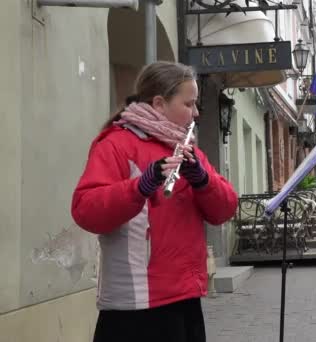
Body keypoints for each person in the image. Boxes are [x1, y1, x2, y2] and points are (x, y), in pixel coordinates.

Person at [71, 62, 238, 342]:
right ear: (160, 104)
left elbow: (225, 209)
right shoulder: (116, 144)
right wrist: (139, 188)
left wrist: (202, 181)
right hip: (136, 305)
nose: (196, 112)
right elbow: (85, 209)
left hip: (184, 296)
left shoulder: (187, 149)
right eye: (189, 104)